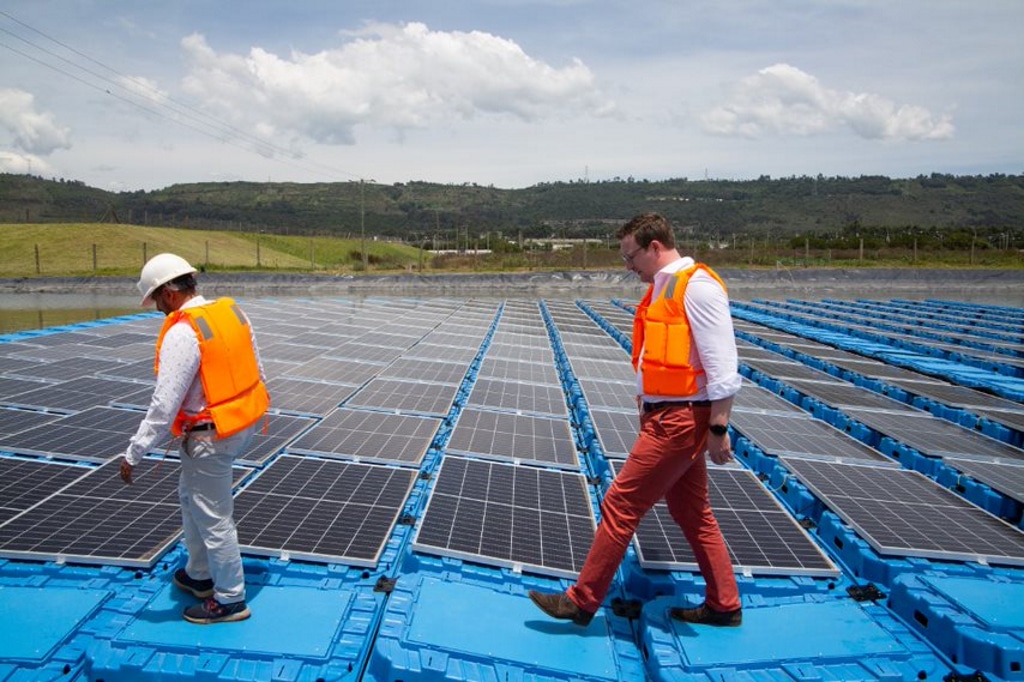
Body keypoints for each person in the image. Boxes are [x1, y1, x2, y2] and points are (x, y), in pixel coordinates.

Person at [530, 212, 743, 627]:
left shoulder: (697, 288)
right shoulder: (664, 288)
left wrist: (719, 427)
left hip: (680, 422)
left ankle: (582, 600)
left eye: (632, 258)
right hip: (669, 417)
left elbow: (724, 366)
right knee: (693, 513)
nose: (628, 268)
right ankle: (725, 605)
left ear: (655, 247)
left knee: (621, 502)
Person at [119, 253, 270, 625]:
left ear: (169, 293)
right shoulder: (230, 313)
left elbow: (164, 404)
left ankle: (230, 598)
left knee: (214, 517)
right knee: (190, 496)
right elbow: (257, 367)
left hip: (210, 436)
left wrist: (134, 453)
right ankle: (199, 573)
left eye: (155, 299)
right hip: (240, 423)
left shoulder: (184, 332)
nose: (156, 308)